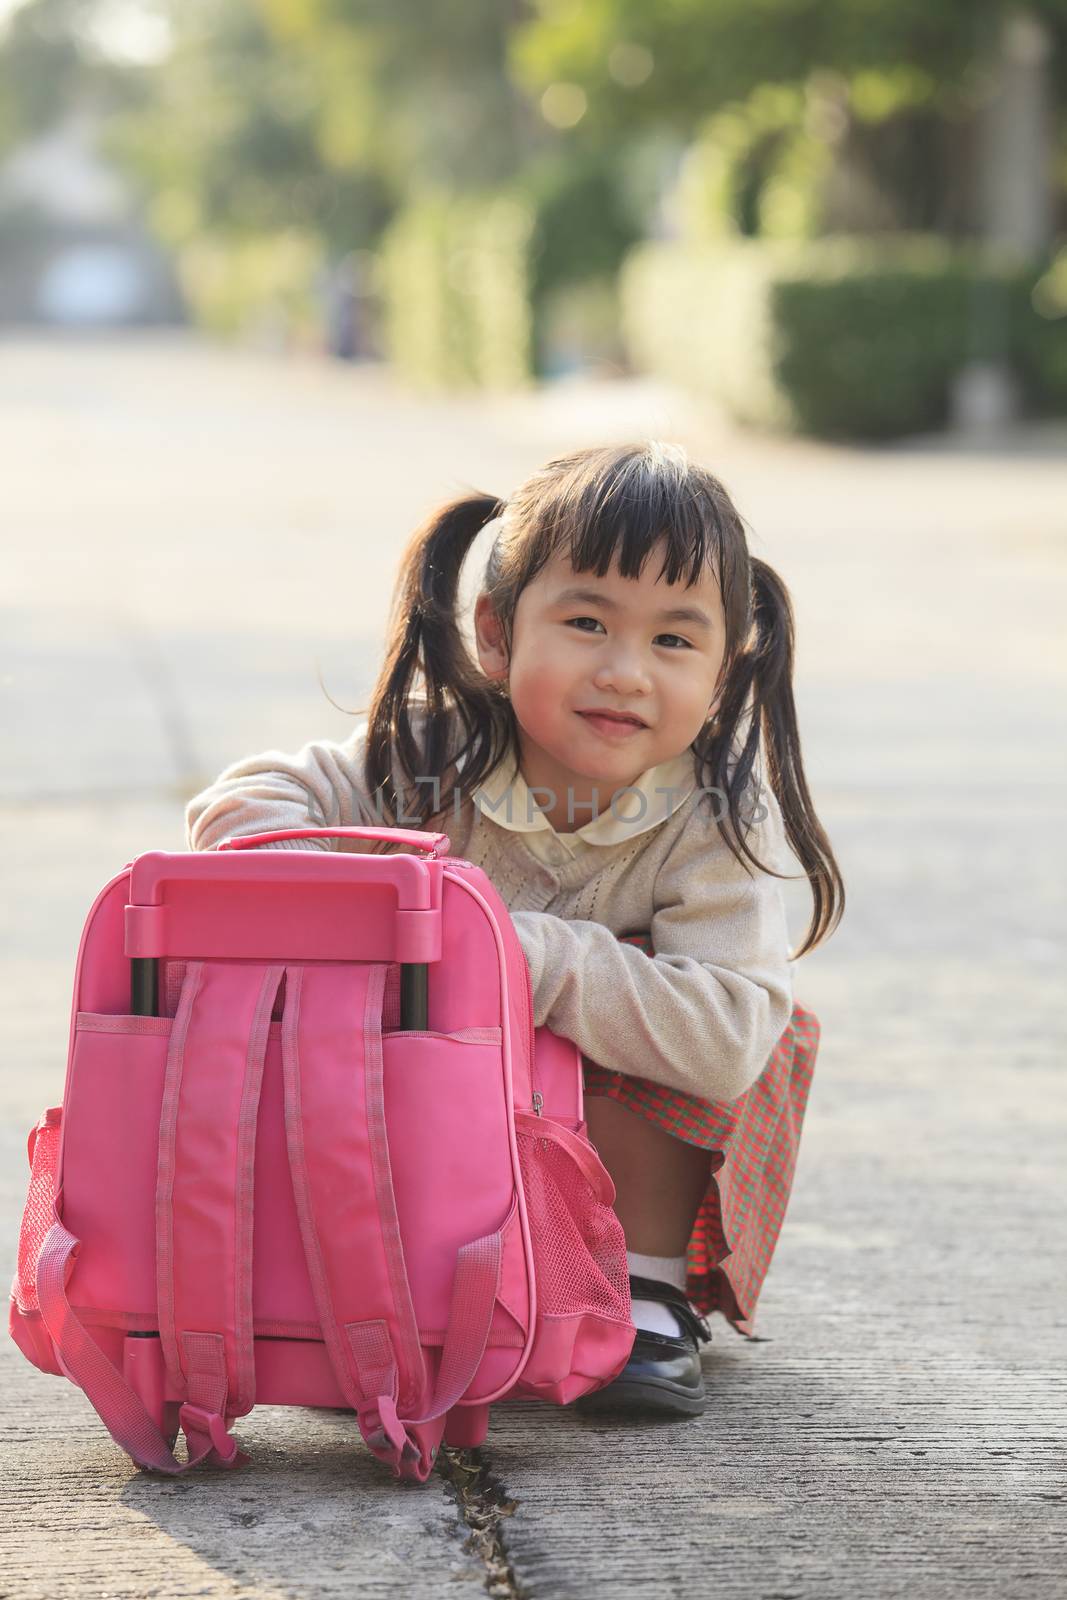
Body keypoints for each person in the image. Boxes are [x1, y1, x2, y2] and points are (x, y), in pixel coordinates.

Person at [185, 439, 844, 1418]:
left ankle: (642, 1291)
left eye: (672, 640)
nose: (623, 671)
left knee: (701, 1006)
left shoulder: (708, 823)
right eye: (585, 622)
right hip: (433, 1132)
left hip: (615, 1158)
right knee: (351, 1002)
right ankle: (376, 1276)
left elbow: (726, 1037)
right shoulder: (428, 753)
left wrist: (514, 949)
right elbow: (241, 802)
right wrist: (336, 893)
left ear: (720, 672)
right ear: (496, 634)